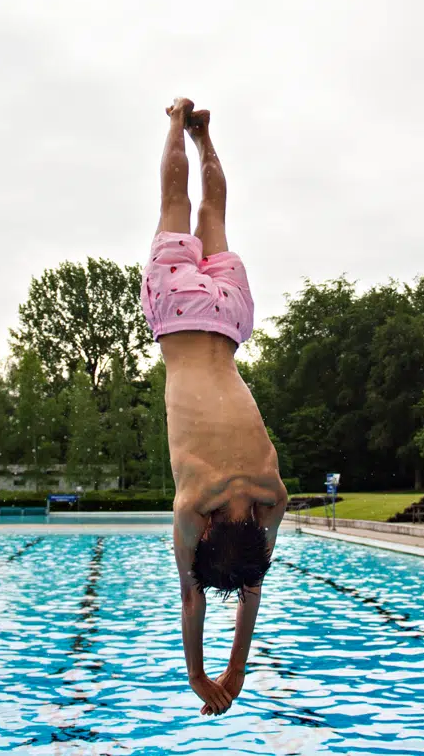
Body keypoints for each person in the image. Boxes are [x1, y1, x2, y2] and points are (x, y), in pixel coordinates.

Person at [146, 98, 288, 717]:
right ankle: (176, 121)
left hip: (229, 318)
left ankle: (205, 138)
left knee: (215, 213)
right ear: (206, 532)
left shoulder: (272, 496)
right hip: (178, 313)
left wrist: (235, 669)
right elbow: (192, 597)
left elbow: (252, 580)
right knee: (174, 205)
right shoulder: (193, 502)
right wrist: (201, 674)